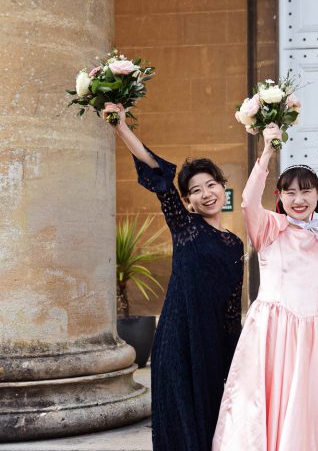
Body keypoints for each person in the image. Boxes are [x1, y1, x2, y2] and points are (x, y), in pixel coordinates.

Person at [104, 102, 243, 451]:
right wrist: (121, 127)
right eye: (196, 190)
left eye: (211, 185)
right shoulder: (184, 227)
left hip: (211, 343)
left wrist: (236, 359)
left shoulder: (234, 244)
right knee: (177, 417)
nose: (206, 193)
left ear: (223, 189)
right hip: (177, 339)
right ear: (189, 201)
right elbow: (159, 174)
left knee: (211, 420)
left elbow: (231, 308)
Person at [213, 123, 318, 450]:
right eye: (290, 192)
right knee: (263, 403)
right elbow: (247, 202)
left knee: (306, 410)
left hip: (309, 338)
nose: (298, 199)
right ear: (280, 197)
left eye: (306, 191)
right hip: (270, 331)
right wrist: (267, 151)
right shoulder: (271, 229)